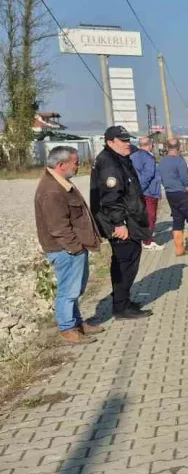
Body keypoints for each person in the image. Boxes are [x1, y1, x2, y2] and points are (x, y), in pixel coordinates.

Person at [34, 146, 103, 344]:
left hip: (72, 248)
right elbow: (58, 227)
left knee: (75, 289)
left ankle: (77, 323)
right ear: (61, 165)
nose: (78, 165)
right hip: (66, 250)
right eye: (75, 162)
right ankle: (67, 329)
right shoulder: (51, 190)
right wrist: (75, 248)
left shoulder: (60, 183)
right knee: (68, 291)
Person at [89, 125, 154, 320]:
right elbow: (110, 198)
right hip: (121, 223)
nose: (128, 144)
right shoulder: (109, 163)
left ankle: (123, 300)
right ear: (110, 142)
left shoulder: (119, 158)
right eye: (123, 140)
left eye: (128, 140)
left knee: (127, 263)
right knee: (125, 264)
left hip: (128, 219)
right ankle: (121, 307)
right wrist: (119, 223)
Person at [159, 138, 188, 257]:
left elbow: (162, 178)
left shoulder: (162, 161)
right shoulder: (179, 161)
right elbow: (185, 181)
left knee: (177, 219)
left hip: (170, 193)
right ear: (179, 147)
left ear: (167, 148)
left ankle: (179, 249)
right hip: (182, 193)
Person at [131, 137, 163, 251]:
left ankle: (142, 238)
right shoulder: (149, 157)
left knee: (141, 216)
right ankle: (148, 241)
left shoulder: (133, 156)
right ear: (150, 145)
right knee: (150, 217)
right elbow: (148, 175)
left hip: (138, 191)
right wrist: (141, 188)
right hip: (150, 191)